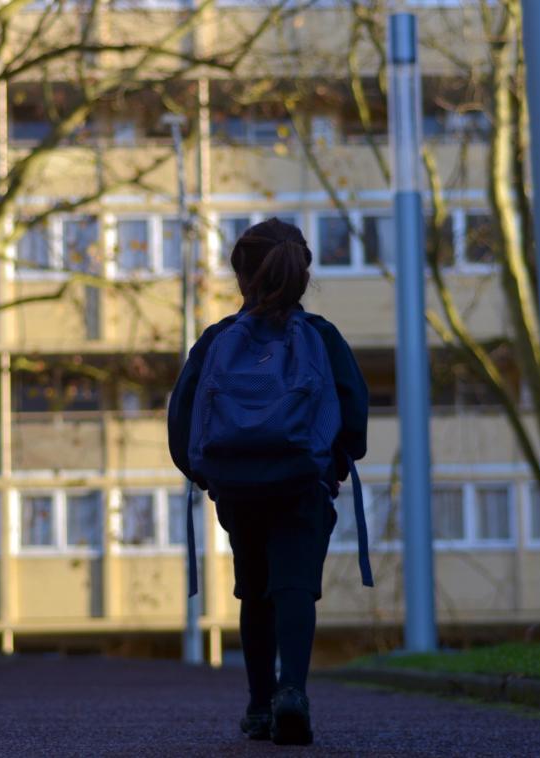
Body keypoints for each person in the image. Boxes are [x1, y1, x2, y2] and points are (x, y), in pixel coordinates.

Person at [167, 218, 369, 746]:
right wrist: (335, 465)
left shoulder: (216, 340)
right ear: (302, 273)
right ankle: (292, 692)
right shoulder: (321, 336)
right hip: (302, 482)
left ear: (241, 275)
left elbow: (183, 418)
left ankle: (258, 706)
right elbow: (353, 412)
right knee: (295, 585)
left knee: (253, 591)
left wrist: (209, 476)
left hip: (237, 486)